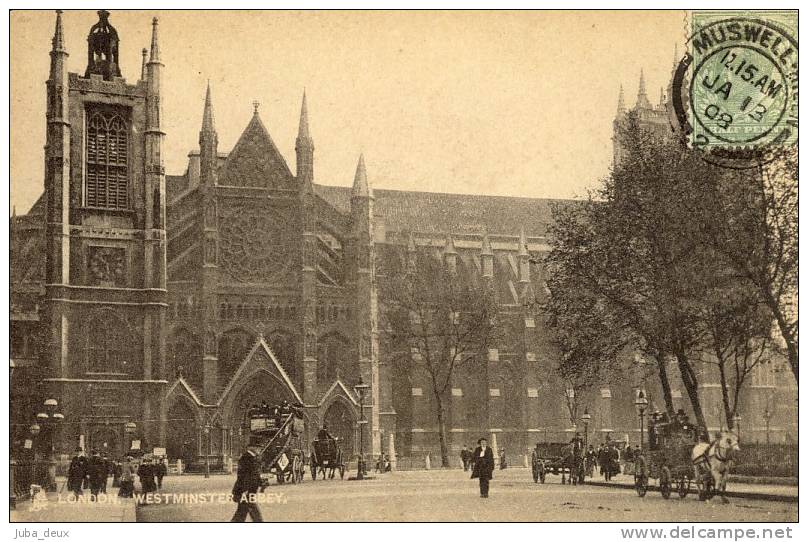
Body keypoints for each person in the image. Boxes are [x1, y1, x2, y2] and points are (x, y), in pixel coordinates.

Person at [231, 446, 264, 522]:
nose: (259, 449)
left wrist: (261, 483)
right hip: (246, 490)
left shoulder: (252, 457)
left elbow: (255, 474)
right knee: (252, 510)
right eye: (258, 448)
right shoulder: (246, 458)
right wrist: (245, 489)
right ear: (252, 448)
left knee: (242, 512)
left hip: (248, 489)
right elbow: (244, 476)